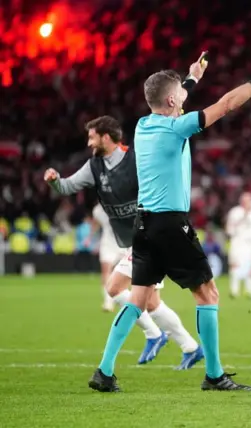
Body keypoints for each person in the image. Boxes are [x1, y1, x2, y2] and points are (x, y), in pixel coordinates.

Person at [88, 51, 251, 392]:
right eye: (180, 95)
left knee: (137, 299)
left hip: (143, 225)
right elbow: (225, 105)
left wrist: (192, 78)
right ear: (171, 100)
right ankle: (214, 375)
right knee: (207, 294)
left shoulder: (143, 125)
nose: (182, 100)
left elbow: (172, 100)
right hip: (169, 224)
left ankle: (104, 372)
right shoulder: (177, 128)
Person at [45, 116, 203, 370]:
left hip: (150, 236)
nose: (89, 143)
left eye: (92, 137)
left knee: (115, 288)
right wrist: (54, 181)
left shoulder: (137, 159)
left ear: (106, 137)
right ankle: (191, 348)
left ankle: (155, 335)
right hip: (134, 241)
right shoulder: (94, 166)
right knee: (151, 303)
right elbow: (67, 186)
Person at [87, 204, 121, 312]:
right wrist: (89, 238)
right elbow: (95, 224)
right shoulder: (97, 210)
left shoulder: (123, 201)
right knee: (106, 272)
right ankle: (108, 301)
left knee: (128, 273)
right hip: (108, 244)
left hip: (125, 244)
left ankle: (124, 299)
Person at [225, 192, 251, 299]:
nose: (247, 203)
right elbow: (229, 228)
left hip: (250, 244)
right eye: (245, 200)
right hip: (237, 242)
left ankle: (249, 290)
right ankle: (234, 291)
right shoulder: (235, 212)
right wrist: (244, 215)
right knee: (235, 265)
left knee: (250, 266)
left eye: (249, 200)